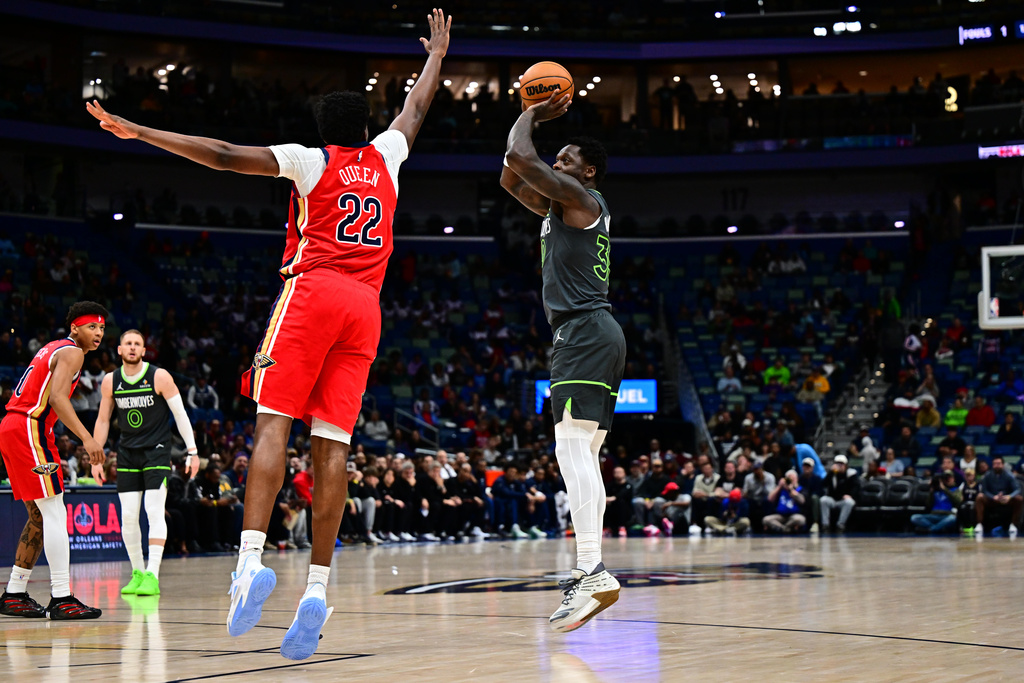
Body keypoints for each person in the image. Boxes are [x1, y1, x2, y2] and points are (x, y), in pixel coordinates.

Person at [87, 10, 452, 659]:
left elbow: (226, 156)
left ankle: (249, 562)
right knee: (333, 446)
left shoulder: (311, 160)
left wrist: (138, 130)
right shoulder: (388, 157)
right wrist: (438, 54)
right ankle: (317, 586)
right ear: (366, 128)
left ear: (322, 130)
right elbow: (416, 108)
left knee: (271, 426)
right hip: (366, 308)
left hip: (314, 293)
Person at [502, 85, 624, 632]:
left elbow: (521, 157)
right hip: (589, 333)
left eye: (569, 158)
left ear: (589, 172)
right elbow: (512, 172)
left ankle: (591, 568)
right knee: (582, 453)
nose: (559, 161)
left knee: (572, 449)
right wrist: (526, 129)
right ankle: (588, 569)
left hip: (584, 332)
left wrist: (530, 113)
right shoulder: (557, 205)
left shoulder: (580, 200)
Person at [0, 302, 107, 620]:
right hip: (29, 428)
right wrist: (87, 439)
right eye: (92, 327)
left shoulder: (53, 347)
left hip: (14, 427)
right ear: (75, 327)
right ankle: (62, 598)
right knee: (55, 512)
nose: (98, 333)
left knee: (39, 516)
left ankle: (14, 594)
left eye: (102, 328)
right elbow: (59, 398)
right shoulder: (73, 352)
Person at [93, 329, 201, 597]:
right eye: (127, 343)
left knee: (154, 511)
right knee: (128, 517)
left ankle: (152, 574)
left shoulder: (159, 376)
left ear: (144, 350)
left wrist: (192, 451)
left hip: (157, 451)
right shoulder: (110, 381)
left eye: (137, 344)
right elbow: (103, 420)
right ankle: (137, 572)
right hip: (128, 452)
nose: (132, 347)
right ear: (119, 350)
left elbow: (180, 413)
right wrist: (96, 458)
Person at [974, 456, 1022, 538]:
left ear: (1003, 465)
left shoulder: (1009, 475)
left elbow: (1017, 489)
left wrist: (1009, 496)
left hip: (1006, 499)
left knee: (1019, 499)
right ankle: (979, 524)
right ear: (992, 465)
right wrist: (993, 497)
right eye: (995, 464)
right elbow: (984, 490)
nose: (997, 465)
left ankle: (1013, 525)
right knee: (979, 497)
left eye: (999, 463)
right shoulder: (987, 475)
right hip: (992, 499)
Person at [910, 470, 961, 535]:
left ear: (953, 479)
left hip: (946, 515)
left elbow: (958, 501)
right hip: (933, 515)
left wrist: (945, 489)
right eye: (946, 478)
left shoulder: (955, 490)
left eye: (950, 478)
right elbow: (928, 504)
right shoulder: (936, 490)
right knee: (914, 517)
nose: (948, 480)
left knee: (952, 518)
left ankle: (930, 529)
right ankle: (938, 528)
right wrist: (931, 490)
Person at [820, 454, 861, 533]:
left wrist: (850, 495)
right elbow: (824, 484)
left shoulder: (851, 474)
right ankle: (825, 525)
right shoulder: (832, 474)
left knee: (850, 502)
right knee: (823, 500)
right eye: (837, 464)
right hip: (833, 500)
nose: (839, 466)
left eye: (841, 464)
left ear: (846, 465)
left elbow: (856, 487)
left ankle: (840, 525)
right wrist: (831, 473)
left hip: (843, 500)